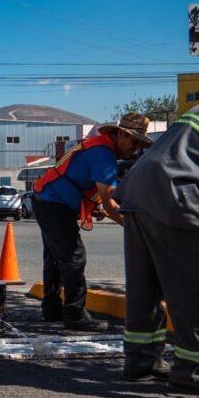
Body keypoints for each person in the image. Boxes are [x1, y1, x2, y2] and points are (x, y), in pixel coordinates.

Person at [115, 98, 199, 395]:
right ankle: (196, 371)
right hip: (180, 193)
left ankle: (142, 361)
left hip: (140, 189)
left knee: (146, 286)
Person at [32, 112, 152, 331]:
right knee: (74, 257)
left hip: (47, 198)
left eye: (140, 143)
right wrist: (135, 227)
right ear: (122, 134)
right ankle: (76, 315)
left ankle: (52, 310)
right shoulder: (103, 153)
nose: (136, 147)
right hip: (53, 202)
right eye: (135, 141)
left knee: (56, 258)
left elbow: (89, 186)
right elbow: (110, 203)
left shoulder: (100, 147)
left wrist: (94, 206)